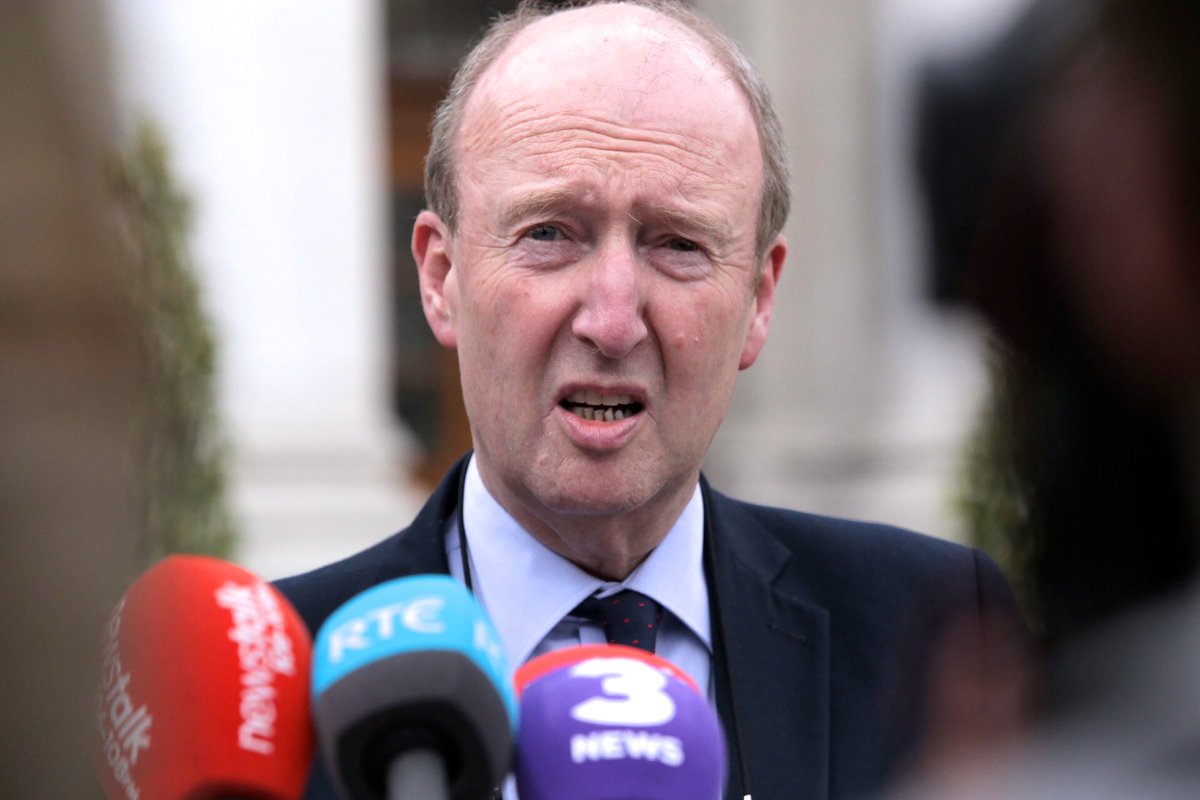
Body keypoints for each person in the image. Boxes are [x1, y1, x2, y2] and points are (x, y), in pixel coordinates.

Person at [277, 2, 1021, 798]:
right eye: (549, 234)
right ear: (440, 278)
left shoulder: (933, 633)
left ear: (759, 299)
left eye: (678, 244)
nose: (612, 321)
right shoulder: (282, 694)